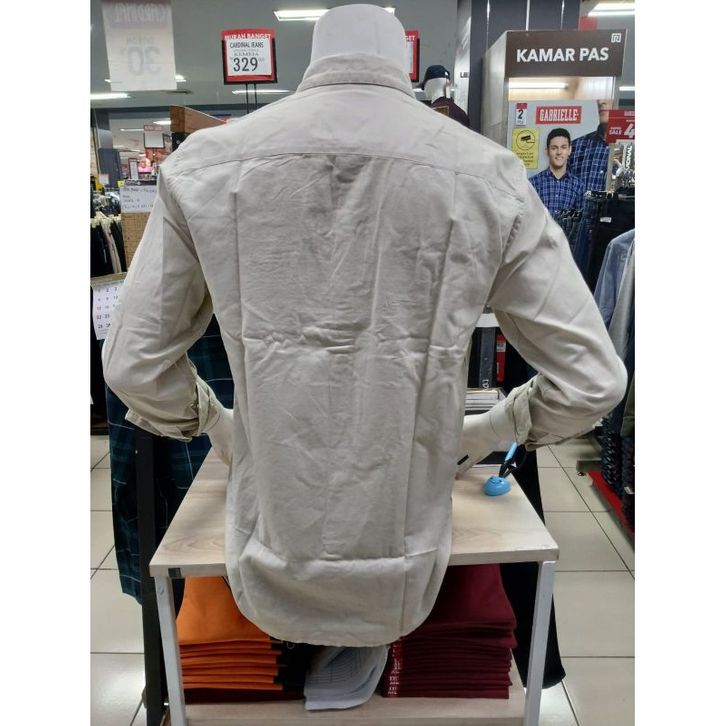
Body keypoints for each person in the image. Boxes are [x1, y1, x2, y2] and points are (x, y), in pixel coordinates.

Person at [103, 4, 626, 648]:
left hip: (267, 552)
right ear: (399, 60)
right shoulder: (489, 175)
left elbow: (133, 364)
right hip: (405, 564)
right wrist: (490, 429)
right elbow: (593, 380)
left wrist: (218, 423)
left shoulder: (204, 166)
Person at [528, 128, 584, 217]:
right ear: (547, 151)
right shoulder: (533, 183)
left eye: (563, 147)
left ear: (569, 150)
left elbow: (580, 220)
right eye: (554, 148)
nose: (559, 152)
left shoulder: (578, 185)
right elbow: (527, 217)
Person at [568, 98, 612, 192]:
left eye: (608, 97)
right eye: (599, 98)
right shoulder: (577, 145)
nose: (600, 102)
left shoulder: (631, 148)